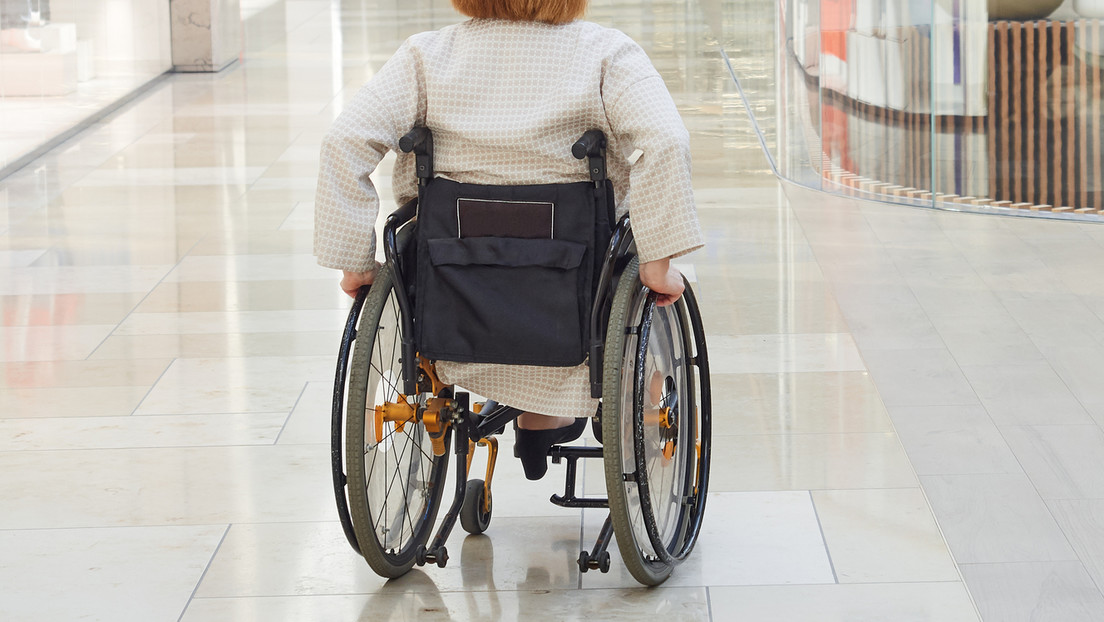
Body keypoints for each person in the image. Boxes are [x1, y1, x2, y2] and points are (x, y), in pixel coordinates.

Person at [314, 0, 703, 479]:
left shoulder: (425, 57)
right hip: (579, 291)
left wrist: (354, 260)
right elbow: (666, 141)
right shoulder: (607, 54)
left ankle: (536, 411)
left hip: (450, 295)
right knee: (613, 249)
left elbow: (343, 141)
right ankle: (550, 409)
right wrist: (657, 264)